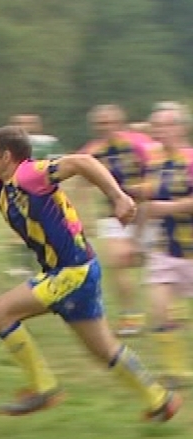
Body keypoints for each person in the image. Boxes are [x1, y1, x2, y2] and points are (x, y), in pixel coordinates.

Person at [0, 124, 181, 421]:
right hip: (74, 270)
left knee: (0, 312)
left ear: (6, 155)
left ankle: (44, 388)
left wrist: (117, 196)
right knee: (102, 348)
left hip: (72, 271)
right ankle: (159, 400)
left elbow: (82, 162)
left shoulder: (29, 173)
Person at [79, 104, 160, 336]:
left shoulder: (137, 145)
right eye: (98, 124)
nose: (103, 128)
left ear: (119, 124)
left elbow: (158, 173)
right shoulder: (93, 150)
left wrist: (142, 189)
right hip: (113, 215)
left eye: (107, 123)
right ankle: (130, 316)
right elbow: (79, 179)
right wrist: (84, 216)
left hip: (146, 212)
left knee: (149, 261)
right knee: (117, 261)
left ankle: (168, 309)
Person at [131, 102, 193, 388]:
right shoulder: (154, 162)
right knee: (159, 310)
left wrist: (168, 208)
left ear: (181, 128)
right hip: (164, 250)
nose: (159, 131)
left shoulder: (190, 159)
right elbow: (146, 202)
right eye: (156, 126)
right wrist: (136, 239)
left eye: (166, 125)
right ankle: (176, 373)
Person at [6, 114, 65, 276]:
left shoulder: (48, 143)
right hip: (19, 190)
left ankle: (52, 263)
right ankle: (23, 266)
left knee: (46, 228)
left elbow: (59, 164)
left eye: (29, 123)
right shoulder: (10, 144)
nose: (25, 126)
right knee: (19, 228)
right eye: (19, 123)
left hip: (43, 190)